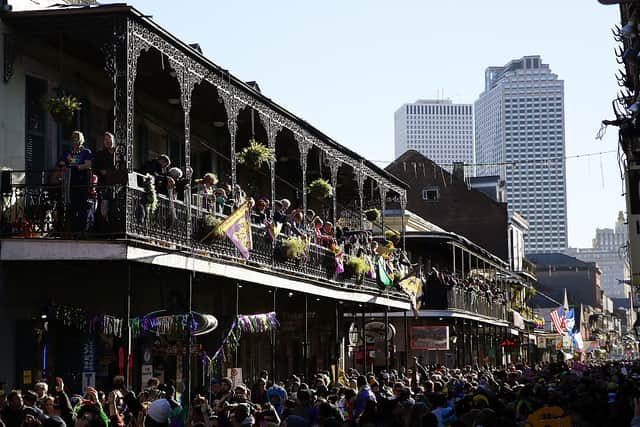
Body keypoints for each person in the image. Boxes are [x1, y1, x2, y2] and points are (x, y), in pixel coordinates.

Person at [63, 130, 93, 232]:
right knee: (72, 207)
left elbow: (88, 164)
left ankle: (82, 230)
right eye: (73, 139)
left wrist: (75, 165)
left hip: (82, 183)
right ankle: (73, 230)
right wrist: (76, 164)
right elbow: (64, 162)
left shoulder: (86, 152)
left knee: (82, 207)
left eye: (77, 138)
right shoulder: (69, 151)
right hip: (71, 182)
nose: (75, 141)